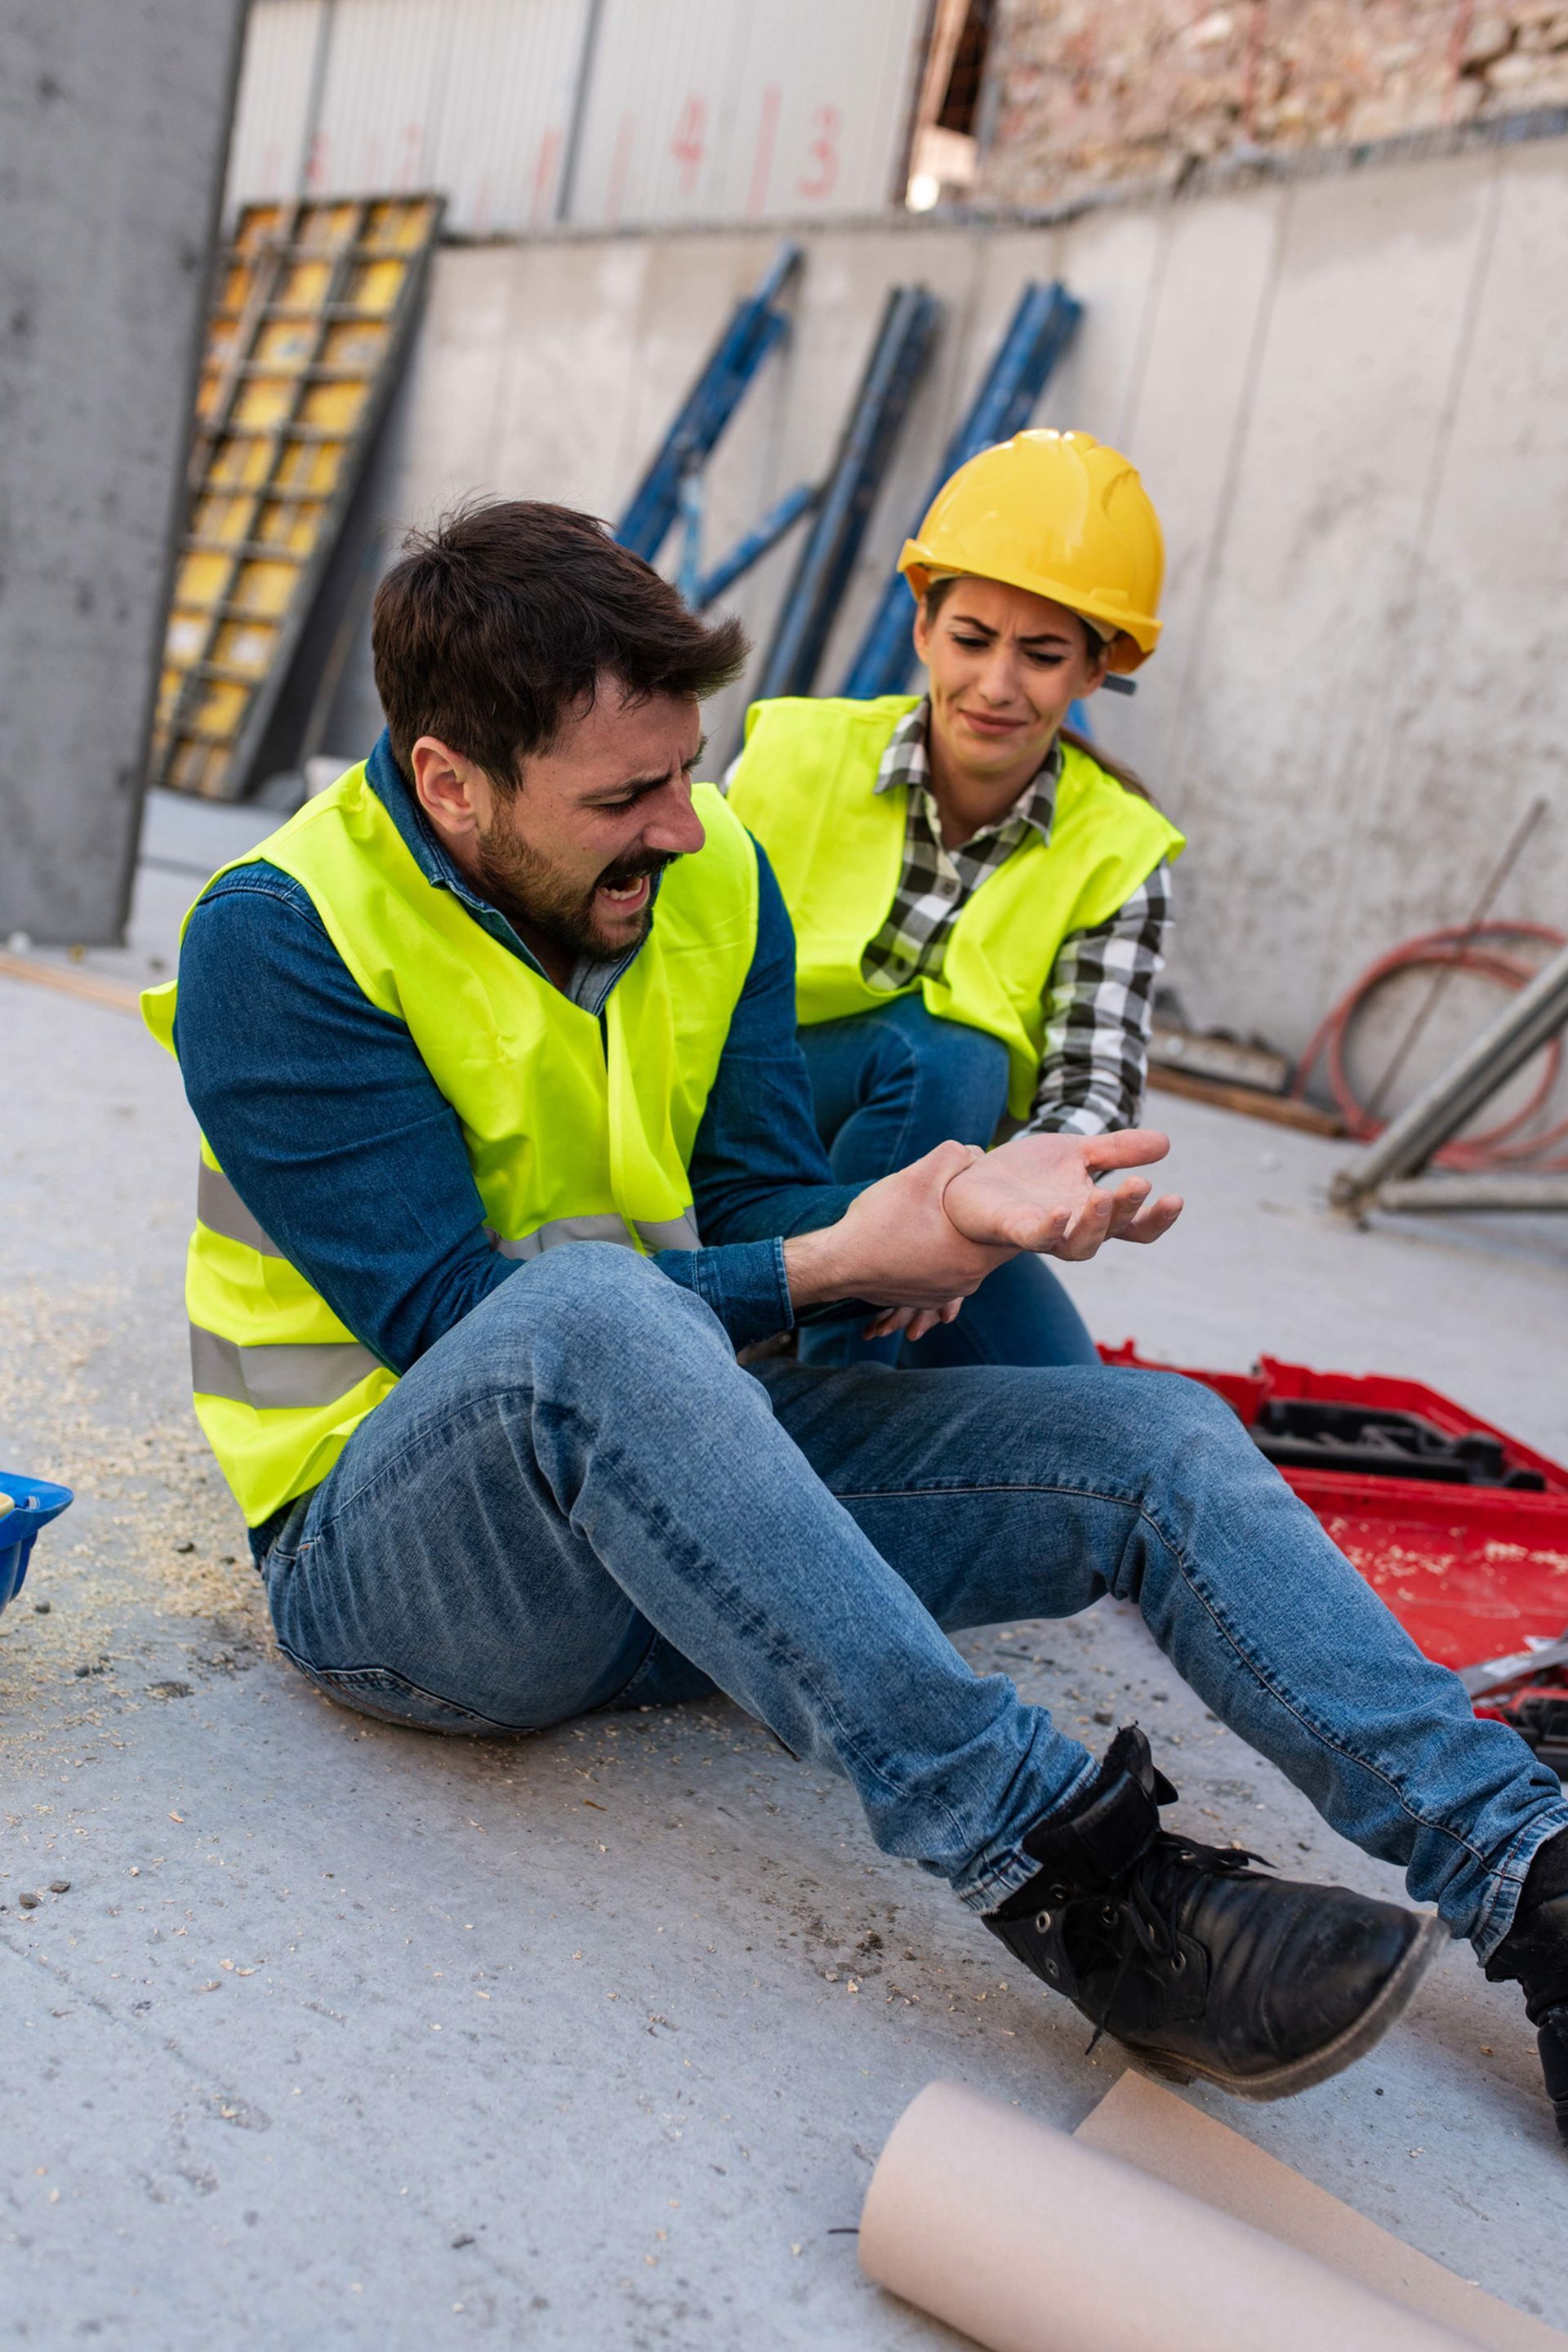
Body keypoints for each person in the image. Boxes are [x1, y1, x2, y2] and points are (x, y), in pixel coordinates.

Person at [145, 500, 1568, 2133]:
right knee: (590, 1319)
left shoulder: (711, 867)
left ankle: (1533, 1876)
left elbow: (754, 1210)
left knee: (1155, 1439)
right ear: (451, 783)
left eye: (684, 772)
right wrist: (828, 1269)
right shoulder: (280, 934)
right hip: (403, 1568)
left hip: (677, 1509)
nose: (685, 826)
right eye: (625, 797)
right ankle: (1082, 1883)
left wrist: (933, 1221)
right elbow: (455, 1318)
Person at [728, 427, 1176, 1371]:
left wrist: (989, 1224)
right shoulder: (791, 758)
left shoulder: (1121, 849)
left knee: (1070, 1403)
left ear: (1095, 671)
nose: (997, 685)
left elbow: (1089, 1101)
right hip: (736, 1127)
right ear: (924, 629)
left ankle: (848, 1349)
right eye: (971, 639)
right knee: (946, 1054)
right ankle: (830, 1388)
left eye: (1044, 654)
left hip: (952, 1176)